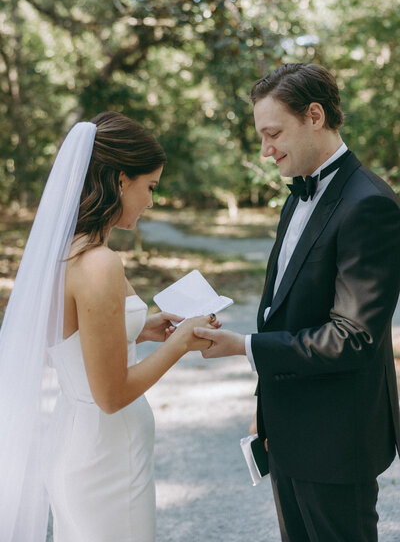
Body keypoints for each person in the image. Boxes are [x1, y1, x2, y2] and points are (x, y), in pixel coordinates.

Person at [194, 64, 400, 541]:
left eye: (273, 133)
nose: (265, 150)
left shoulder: (369, 204)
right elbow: (281, 309)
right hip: (287, 429)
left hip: (336, 439)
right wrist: (266, 406)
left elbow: (352, 338)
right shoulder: (298, 191)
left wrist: (242, 347)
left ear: (314, 116)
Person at [0, 111, 218, 542]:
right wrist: (181, 344)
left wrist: (142, 329)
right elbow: (112, 395)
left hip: (78, 442)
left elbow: (61, 344)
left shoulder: (65, 253)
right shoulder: (99, 263)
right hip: (108, 458)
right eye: (150, 186)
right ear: (120, 180)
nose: (152, 201)